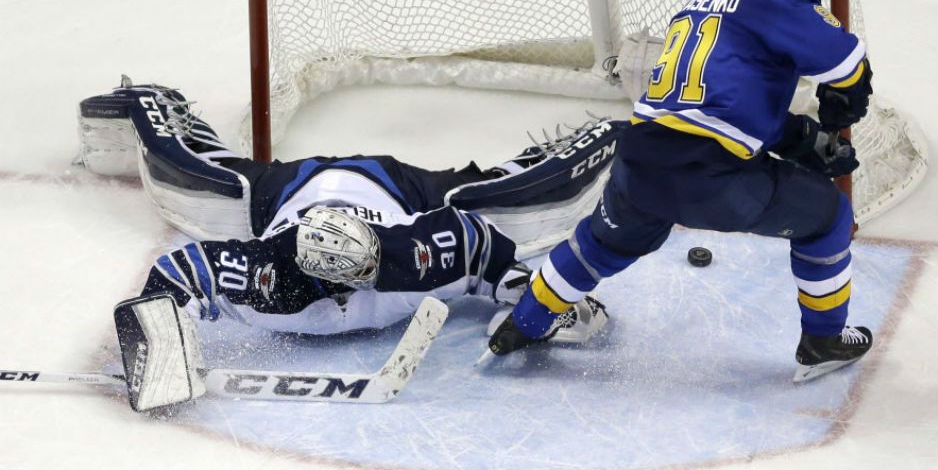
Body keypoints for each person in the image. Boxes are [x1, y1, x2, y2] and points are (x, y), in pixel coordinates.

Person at [485, 0, 874, 383]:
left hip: (638, 162)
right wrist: (840, 108)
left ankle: (524, 324)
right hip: (714, 180)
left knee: (598, 244)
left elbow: (720, 103)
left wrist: (797, 137)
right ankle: (824, 340)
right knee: (827, 220)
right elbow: (850, 65)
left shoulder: (693, 7)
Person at [77, 78, 619, 336]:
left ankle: (611, 134)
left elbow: (480, 249)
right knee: (187, 166)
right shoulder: (273, 274)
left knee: (511, 189)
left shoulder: (412, 256)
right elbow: (181, 270)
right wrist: (154, 333)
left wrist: (532, 299)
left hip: (396, 188)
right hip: (285, 191)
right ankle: (149, 99)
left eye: (364, 272)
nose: (354, 286)